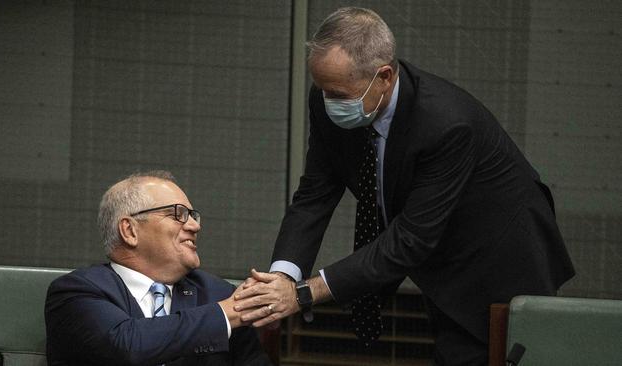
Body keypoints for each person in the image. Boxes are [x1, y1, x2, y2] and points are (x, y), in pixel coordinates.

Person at [234, 7, 575, 366]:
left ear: (384, 77)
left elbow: (410, 239)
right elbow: (315, 194)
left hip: (500, 266)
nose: (328, 102)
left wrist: (303, 294)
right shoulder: (328, 99)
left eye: (337, 94)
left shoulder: (447, 124)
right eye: (321, 90)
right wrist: (279, 280)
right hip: (439, 265)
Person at [45, 171, 272, 366]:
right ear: (130, 230)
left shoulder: (219, 294)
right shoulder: (75, 292)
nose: (195, 225)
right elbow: (127, 346)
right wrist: (224, 314)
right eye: (179, 214)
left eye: (193, 216)